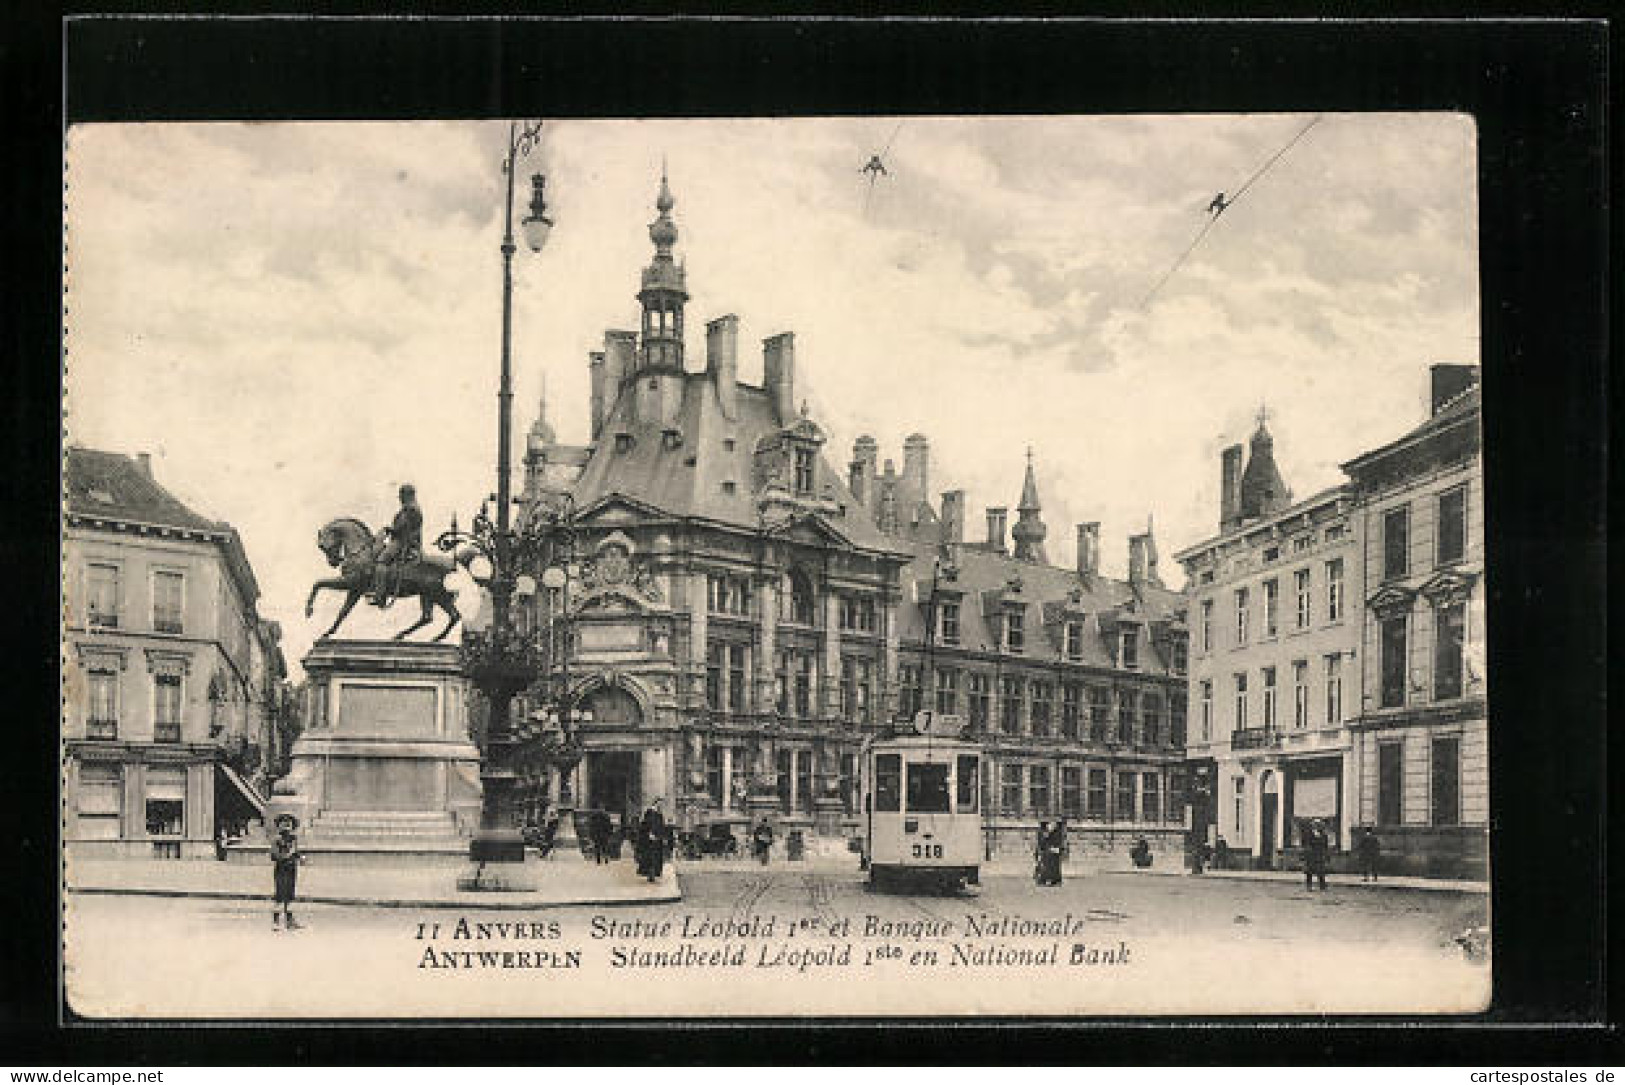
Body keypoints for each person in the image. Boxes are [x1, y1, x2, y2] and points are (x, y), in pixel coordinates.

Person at [371, 483, 423, 606]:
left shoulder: (411, 509)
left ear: (407, 495)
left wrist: (390, 530)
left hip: (404, 542)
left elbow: (403, 528)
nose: (400, 498)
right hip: (401, 540)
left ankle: (380, 596)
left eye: (401, 495)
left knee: (381, 561)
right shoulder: (410, 508)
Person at [269, 813, 303, 930]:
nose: (287, 827)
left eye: (289, 824)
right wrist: (289, 854)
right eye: (284, 824)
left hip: (292, 869)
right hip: (281, 869)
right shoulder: (276, 840)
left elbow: (296, 852)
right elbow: (274, 855)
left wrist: (299, 857)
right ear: (279, 826)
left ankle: (290, 921)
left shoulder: (294, 839)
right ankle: (276, 921)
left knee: (290, 895)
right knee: (279, 894)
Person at [637, 799, 668, 882]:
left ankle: (654, 873)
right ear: (655, 804)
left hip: (658, 839)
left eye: (662, 805)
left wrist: (663, 837)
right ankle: (650, 874)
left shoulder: (660, 815)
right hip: (649, 840)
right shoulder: (649, 813)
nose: (660, 806)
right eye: (659, 804)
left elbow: (662, 827)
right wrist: (648, 833)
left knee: (656, 858)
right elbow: (645, 825)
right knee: (650, 858)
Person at [1303, 819, 1330, 891]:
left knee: (1321, 871)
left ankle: (1322, 885)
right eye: (1316, 825)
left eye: (1319, 825)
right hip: (1311, 855)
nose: (1318, 826)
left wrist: (1326, 854)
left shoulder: (1323, 835)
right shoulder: (1308, 834)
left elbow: (1325, 845)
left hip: (1320, 854)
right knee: (1309, 871)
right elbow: (1306, 844)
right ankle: (1309, 886)